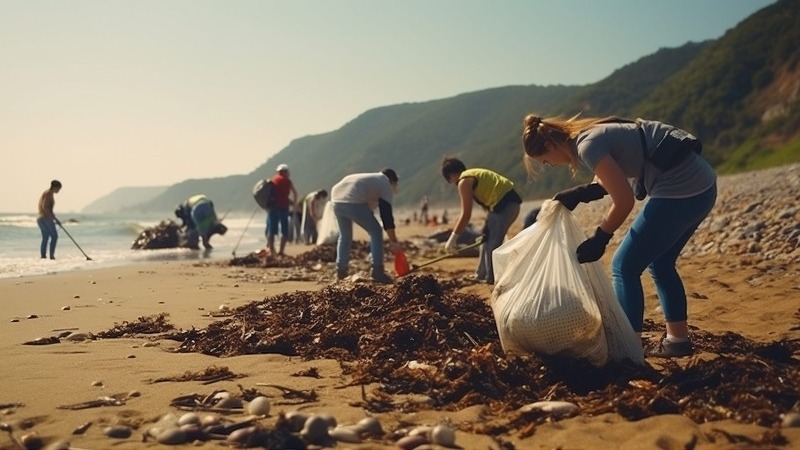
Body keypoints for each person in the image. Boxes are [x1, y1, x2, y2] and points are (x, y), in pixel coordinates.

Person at [521, 113, 717, 358]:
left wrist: (601, 236)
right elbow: (613, 172)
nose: (548, 165)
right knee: (661, 264)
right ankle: (677, 341)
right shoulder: (591, 133)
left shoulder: (587, 145)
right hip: (703, 187)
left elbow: (623, 200)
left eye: (544, 161)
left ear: (550, 146)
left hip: (680, 190)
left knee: (623, 266)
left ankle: (627, 349)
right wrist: (583, 192)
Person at [441, 157, 522, 285]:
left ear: (451, 175)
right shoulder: (472, 175)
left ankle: (490, 278)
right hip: (503, 206)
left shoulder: (463, 181)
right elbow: (488, 199)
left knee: (492, 243)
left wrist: (452, 239)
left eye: (449, 180)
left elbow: (466, 214)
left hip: (506, 206)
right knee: (484, 240)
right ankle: (481, 274)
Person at [331, 169, 401, 284]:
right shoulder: (385, 183)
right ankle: (377, 271)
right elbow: (386, 215)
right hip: (352, 200)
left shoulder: (372, 180)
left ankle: (341, 271)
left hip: (336, 199)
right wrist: (394, 241)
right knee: (376, 231)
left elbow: (370, 211)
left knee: (345, 236)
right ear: (392, 180)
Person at [266, 164, 298, 256]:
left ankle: (272, 251)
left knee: (271, 230)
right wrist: (294, 204)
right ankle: (281, 251)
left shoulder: (273, 180)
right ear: (285, 172)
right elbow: (294, 193)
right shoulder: (287, 181)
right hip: (283, 208)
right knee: (284, 230)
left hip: (272, 208)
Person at [37, 179, 62, 259]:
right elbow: (46, 207)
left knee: (46, 237)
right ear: (55, 187)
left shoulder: (46, 193)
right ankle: (51, 256)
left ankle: (43, 256)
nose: (58, 190)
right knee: (54, 236)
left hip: (40, 218)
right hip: (45, 218)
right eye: (58, 189)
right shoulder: (49, 194)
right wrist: (54, 219)